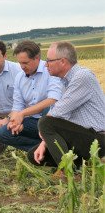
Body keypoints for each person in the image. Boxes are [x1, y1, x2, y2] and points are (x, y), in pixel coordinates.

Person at [28, 41, 105, 170]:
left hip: (98, 140)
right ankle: (81, 165)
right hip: (82, 138)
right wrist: (44, 143)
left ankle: (67, 171)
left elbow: (57, 112)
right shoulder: (65, 82)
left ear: (62, 61)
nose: (46, 65)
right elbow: (63, 119)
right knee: (33, 155)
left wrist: (44, 129)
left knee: (45, 122)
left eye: (49, 61)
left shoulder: (83, 76)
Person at [0, 40, 62, 151]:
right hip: (34, 122)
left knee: (48, 110)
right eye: (20, 63)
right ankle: (43, 150)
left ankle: (53, 148)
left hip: (55, 121)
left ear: (37, 58)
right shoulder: (19, 78)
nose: (22, 66)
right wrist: (15, 121)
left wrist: (22, 114)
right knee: (3, 133)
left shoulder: (50, 70)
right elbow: (18, 106)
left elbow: (53, 100)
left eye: (25, 63)